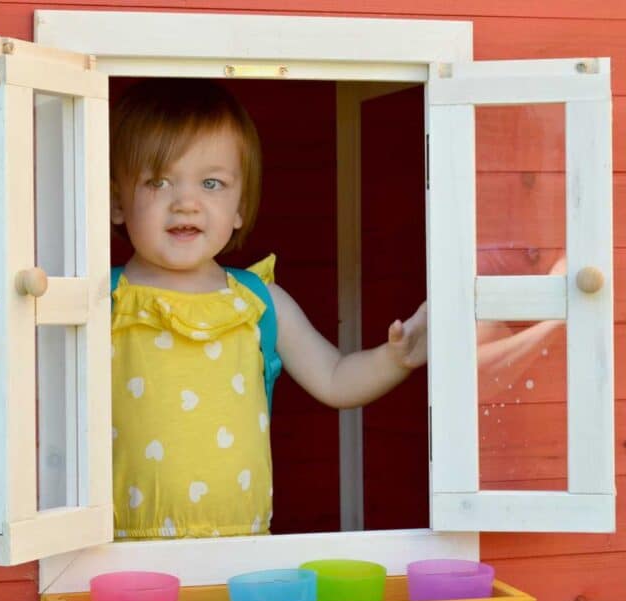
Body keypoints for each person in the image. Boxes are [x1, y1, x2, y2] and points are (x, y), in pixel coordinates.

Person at [109, 78, 427, 540]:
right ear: (118, 201)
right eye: (159, 180)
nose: (187, 203)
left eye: (212, 183)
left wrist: (396, 359)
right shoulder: (104, 302)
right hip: (119, 554)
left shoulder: (257, 301)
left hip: (243, 549)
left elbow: (336, 378)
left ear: (239, 206)